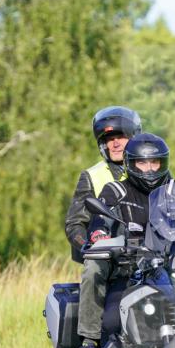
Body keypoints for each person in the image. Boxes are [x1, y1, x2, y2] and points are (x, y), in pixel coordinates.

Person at [76, 133, 173, 348]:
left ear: (163, 163)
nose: (150, 169)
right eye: (143, 163)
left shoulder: (173, 190)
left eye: (155, 163)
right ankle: (90, 340)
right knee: (110, 320)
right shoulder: (116, 189)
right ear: (131, 164)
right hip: (129, 268)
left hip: (166, 268)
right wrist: (98, 234)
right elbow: (100, 217)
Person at [63, 106, 141, 263]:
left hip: (151, 254)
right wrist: (88, 245)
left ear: (134, 138)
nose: (115, 143)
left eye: (121, 137)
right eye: (110, 139)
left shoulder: (151, 168)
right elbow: (75, 223)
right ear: (103, 144)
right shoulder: (92, 175)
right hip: (109, 258)